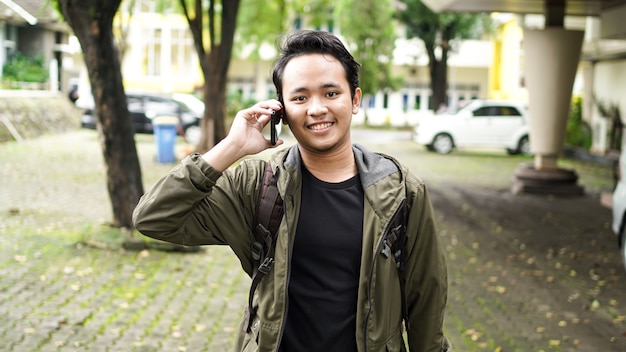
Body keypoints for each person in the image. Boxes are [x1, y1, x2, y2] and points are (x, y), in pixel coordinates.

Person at [133, 30, 450, 352]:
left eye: (330, 93)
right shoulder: (257, 184)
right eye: (300, 98)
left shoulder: (400, 190)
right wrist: (232, 147)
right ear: (280, 110)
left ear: (354, 100)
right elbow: (153, 218)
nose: (316, 109)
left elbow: (426, 298)